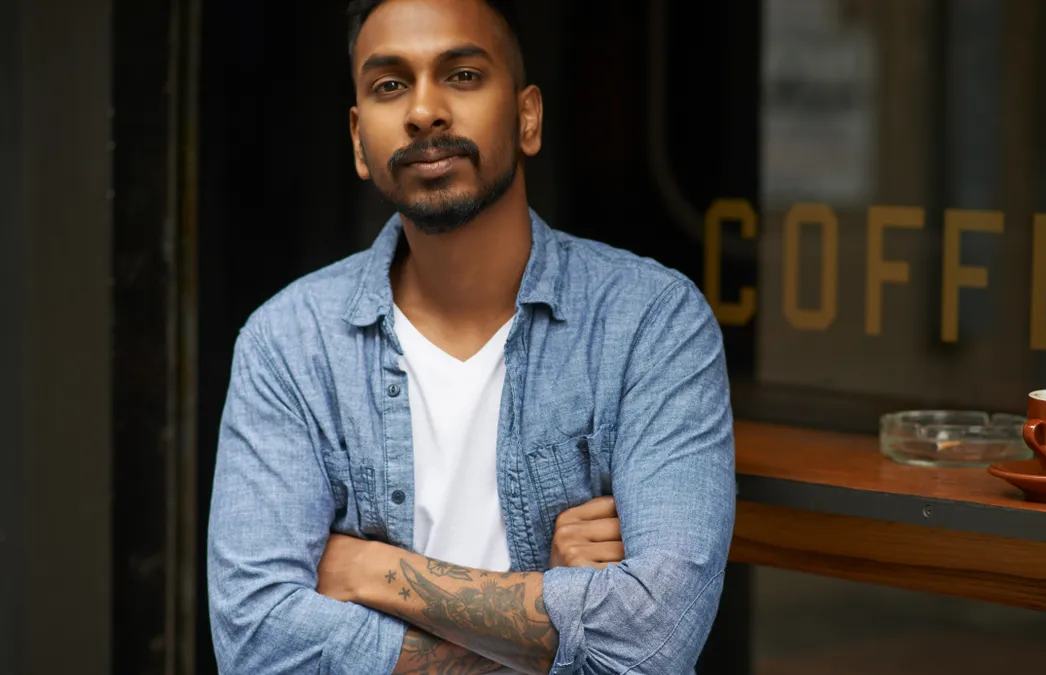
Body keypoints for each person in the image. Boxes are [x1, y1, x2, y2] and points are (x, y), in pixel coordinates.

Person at [205, 0, 737, 673]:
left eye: (461, 75)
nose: (424, 111)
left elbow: (657, 635)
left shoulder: (649, 323)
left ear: (527, 117)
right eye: (389, 84)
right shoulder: (288, 343)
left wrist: (375, 571)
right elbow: (255, 643)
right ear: (358, 142)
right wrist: (558, 623)